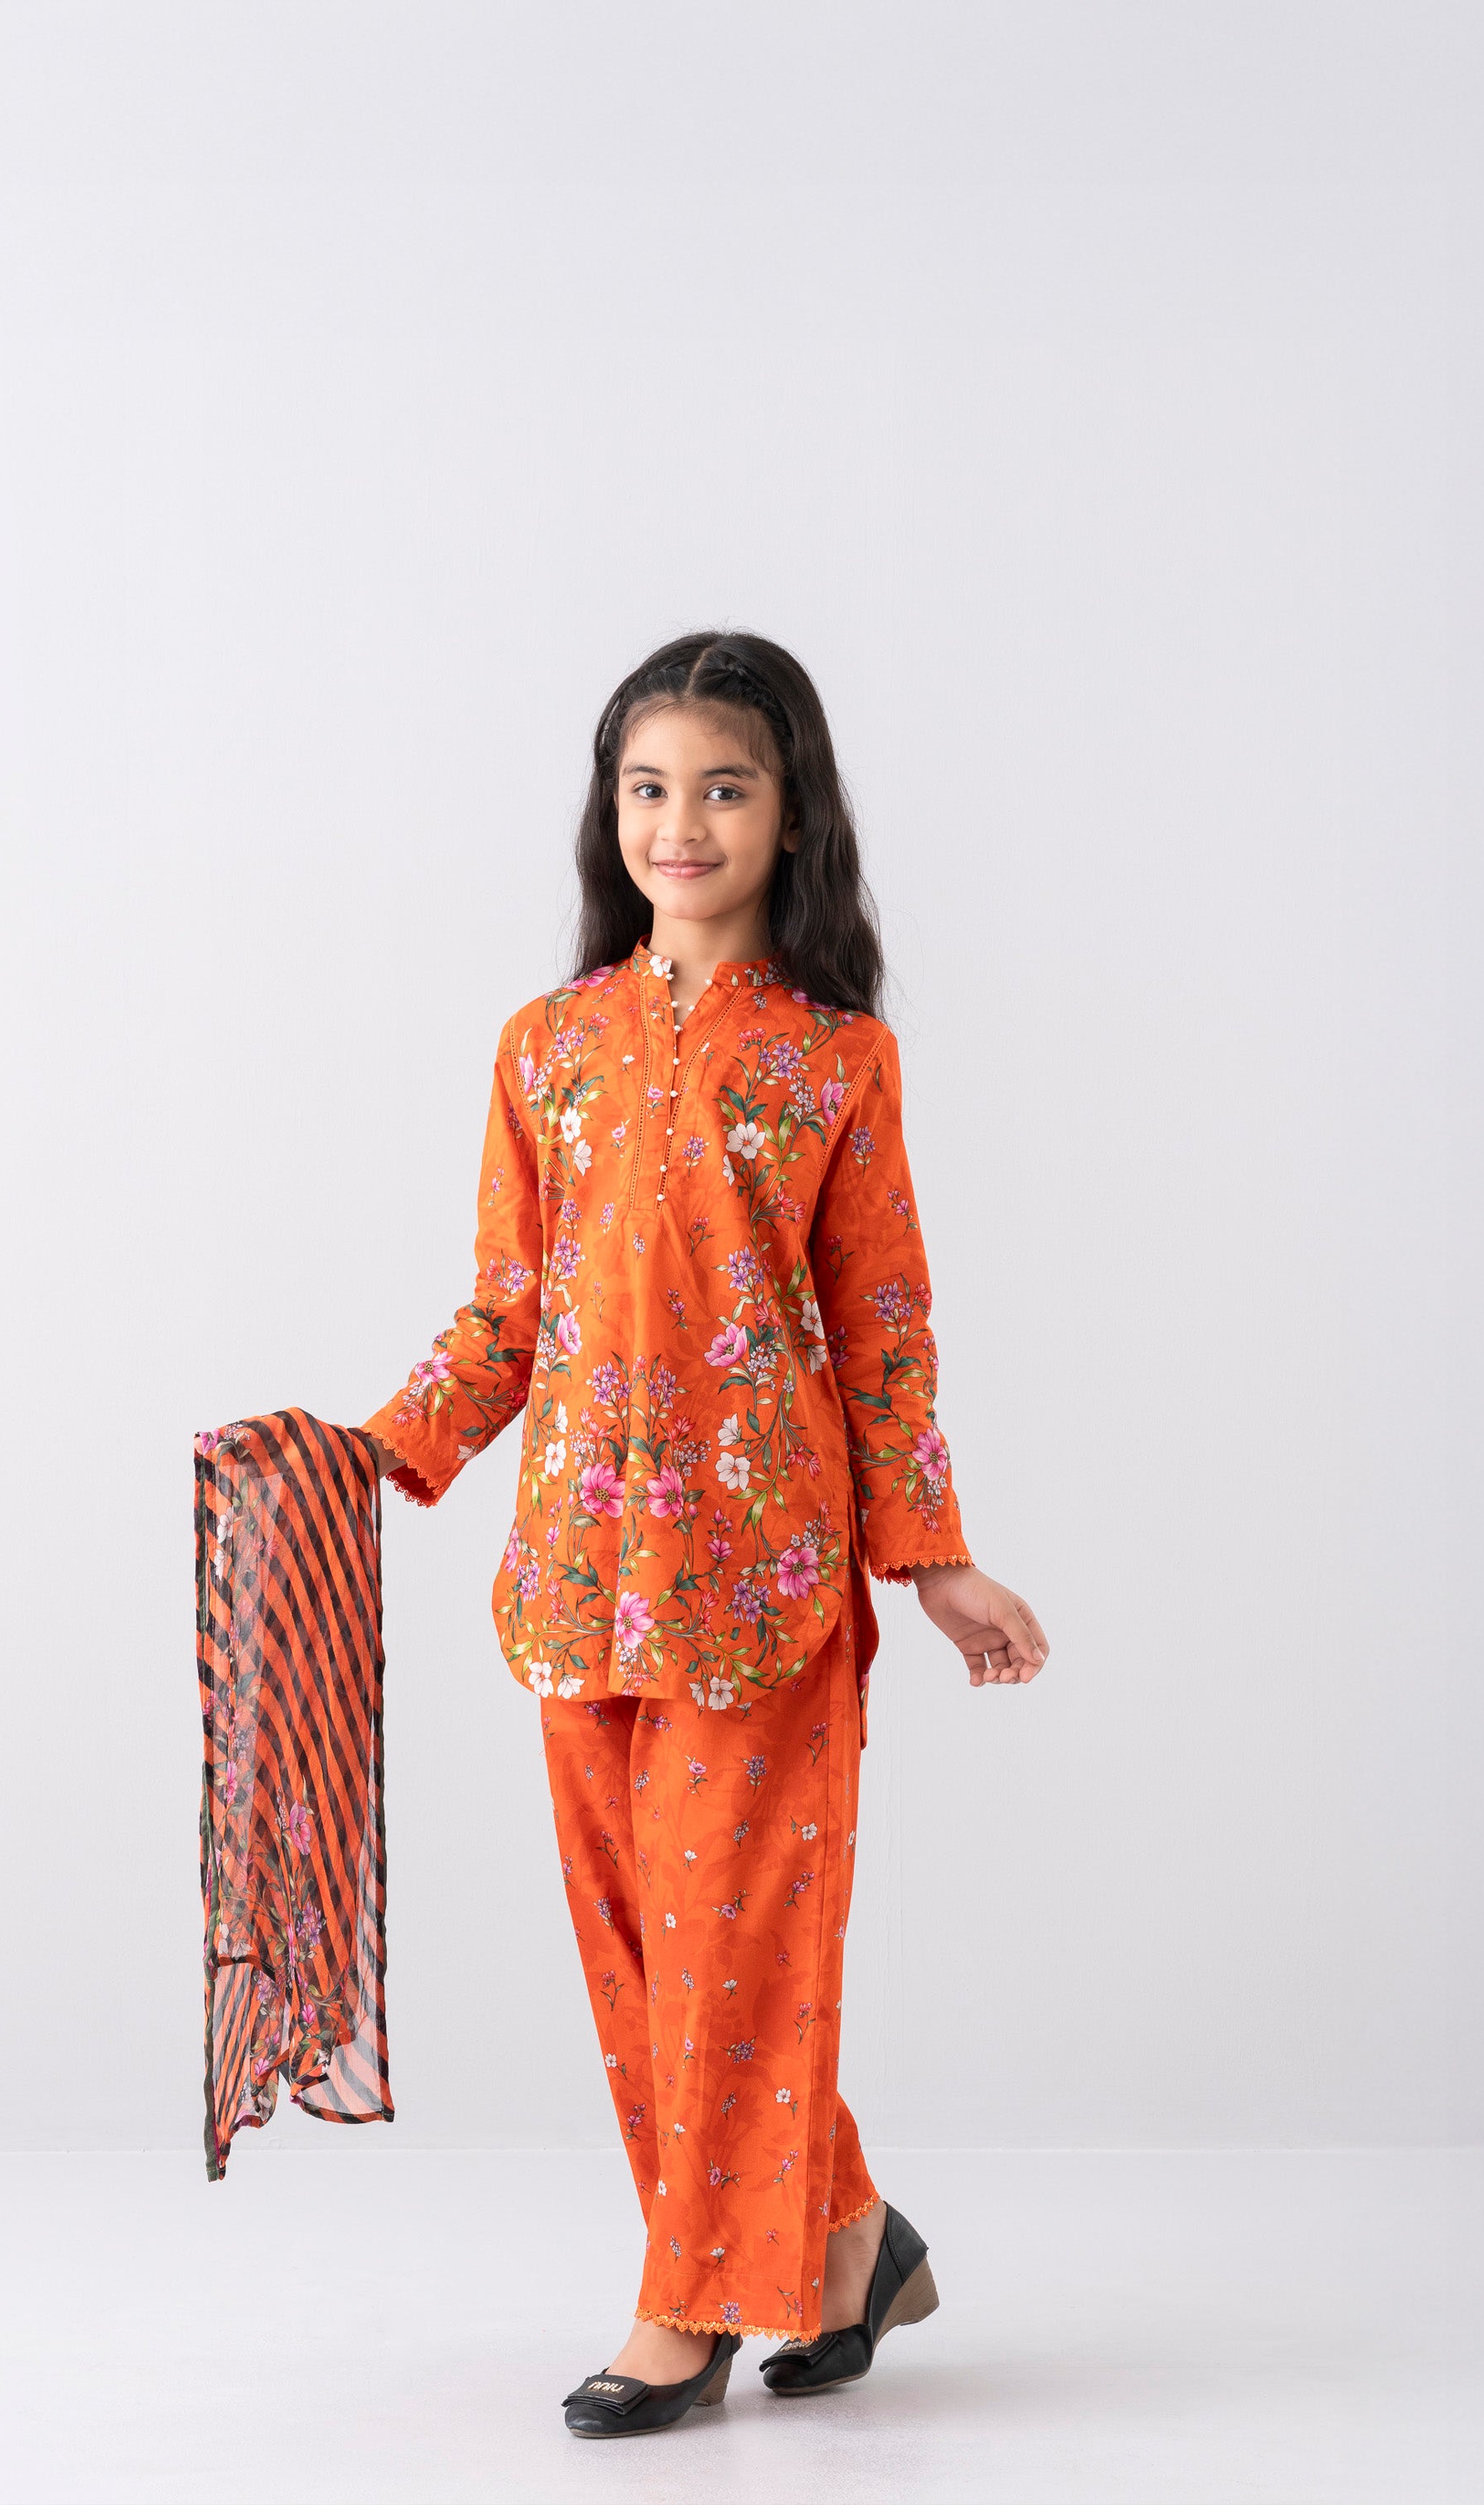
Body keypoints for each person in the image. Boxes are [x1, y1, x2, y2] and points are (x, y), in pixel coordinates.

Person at [362, 630, 1049, 2438]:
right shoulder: (546, 1048)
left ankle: (686, 2305)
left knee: (732, 1952)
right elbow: (507, 1312)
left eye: (724, 787)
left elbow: (882, 1324)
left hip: (767, 1579)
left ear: (791, 814)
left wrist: (934, 1556)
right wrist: (372, 1451)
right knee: (654, 1962)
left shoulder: (835, 1059)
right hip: (576, 1579)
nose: (681, 822)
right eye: (649, 787)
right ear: (612, 812)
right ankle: (848, 2241)